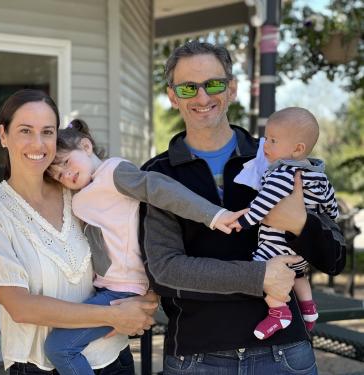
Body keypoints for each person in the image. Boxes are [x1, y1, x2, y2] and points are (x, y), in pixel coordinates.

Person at [139, 41, 346, 375]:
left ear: (232, 89)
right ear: (173, 96)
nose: (203, 98)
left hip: (285, 355)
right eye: (188, 87)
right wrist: (259, 277)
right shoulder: (158, 175)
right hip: (196, 358)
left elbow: (335, 259)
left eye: (214, 84)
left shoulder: (281, 160)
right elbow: (165, 272)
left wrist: (300, 225)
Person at [0, 89, 158, 375]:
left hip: (114, 358)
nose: (38, 143)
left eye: (47, 132)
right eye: (25, 131)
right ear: (3, 135)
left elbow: (134, 243)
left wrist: (147, 298)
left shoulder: (79, 195)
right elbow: (21, 306)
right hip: (40, 366)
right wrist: (113, 315)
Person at [43, 119, 247, 375]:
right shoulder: (87, 191)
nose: (65, 174)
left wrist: (214, 215)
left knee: (59, 348)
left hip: (123, 292)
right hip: (107, 291)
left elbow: (161, 189)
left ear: (86, 146)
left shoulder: (113, 173)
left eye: (65, 163)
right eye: (58, 175)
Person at [233, 107, 339, 340]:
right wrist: (328, 215)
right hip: (301, 249)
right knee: (299, 275)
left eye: (272, 140)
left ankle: (279, 311)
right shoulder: (318, 175)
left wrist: (244, 221)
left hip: (276, 246)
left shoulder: (283, 174)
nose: (265, 145)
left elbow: (263, 203)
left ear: (297, 149)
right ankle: (309, 311)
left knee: (258, 272)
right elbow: (331, 206)